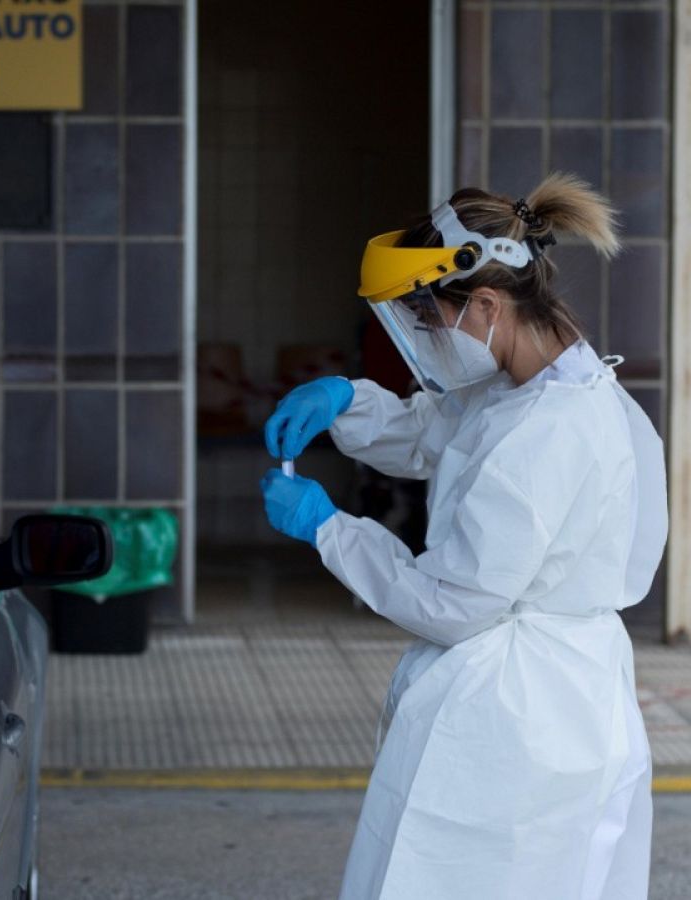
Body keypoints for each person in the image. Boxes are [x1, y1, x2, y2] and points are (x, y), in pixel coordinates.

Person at [261, 173, 667, 900]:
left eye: (427, 314)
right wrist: (345, 403)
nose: (423, 332)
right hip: (562, 702)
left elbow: (451, 604)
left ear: (485, 304)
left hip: (516, 725)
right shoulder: (541, 388)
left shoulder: (545, 434)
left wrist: (329, 529)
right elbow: (438, 431)